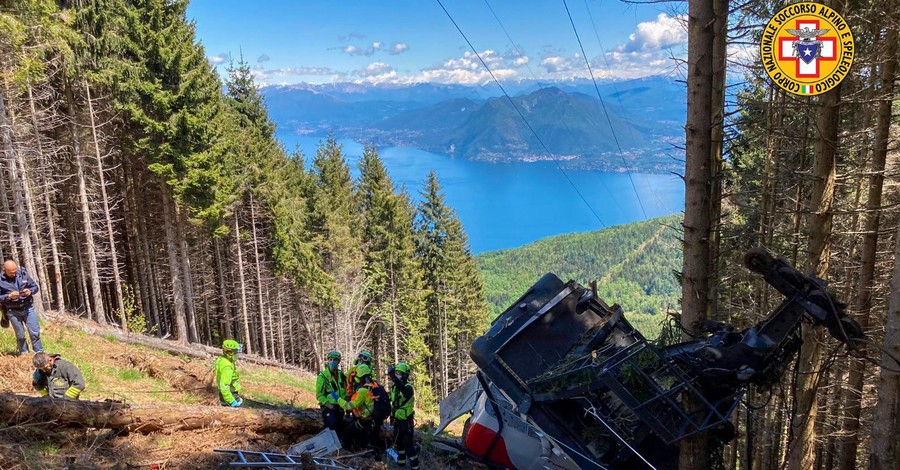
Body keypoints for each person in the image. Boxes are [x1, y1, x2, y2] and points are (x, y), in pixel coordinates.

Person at [336, 363, 388, 459]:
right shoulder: (377, 387)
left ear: (359, 378)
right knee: (371, 439)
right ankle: (374, 455)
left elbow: (348, 406)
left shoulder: (363, 391)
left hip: (365, 421)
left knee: (348, 431)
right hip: (376, 421)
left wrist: (337, 398)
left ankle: (346, 455)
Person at [0, 260, 42, 355]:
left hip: (28, 308)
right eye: (11, 273)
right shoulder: (0, 280)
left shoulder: (23, 274)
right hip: (12, 311)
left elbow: (35, 287)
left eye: (15, 271)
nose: (14, 274)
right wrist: (9, 296)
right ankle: (24, 354)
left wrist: (29, 291)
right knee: (20, 336)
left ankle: (39, 354)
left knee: (35, 333)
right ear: (4, 270)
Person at [389, 362, 419, 470]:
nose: (397, 375)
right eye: (396, 373)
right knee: (398, 443)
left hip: (406, 421)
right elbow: (394, 403)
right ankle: (401, 464)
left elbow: (404, 391)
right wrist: (391, 417)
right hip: (397, 420)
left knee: (408, 444)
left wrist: (393, 377)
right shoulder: (394, 387)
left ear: (405, 375)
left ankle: (415, 466)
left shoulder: (408, 387)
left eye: (399, 373)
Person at [317, 350, 348, 437]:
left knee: (340, 427)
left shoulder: (341, 375)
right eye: (330, 359)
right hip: (328, 407)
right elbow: (319, 395)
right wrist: (330, 406)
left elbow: (344, 390)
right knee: (332, 424)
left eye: (334, 359)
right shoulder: (323, 376)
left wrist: (347, 403)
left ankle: (340, 447)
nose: (332, 361)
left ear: (338, 361)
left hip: (340, 406)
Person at [216, 339, 243, 407]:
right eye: (235, 352)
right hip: (230, 394)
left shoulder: (223, 360)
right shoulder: (227, 367)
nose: (237, 354)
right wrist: (232, 401)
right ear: (229, 353)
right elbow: (224, 386)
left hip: (229, 394)